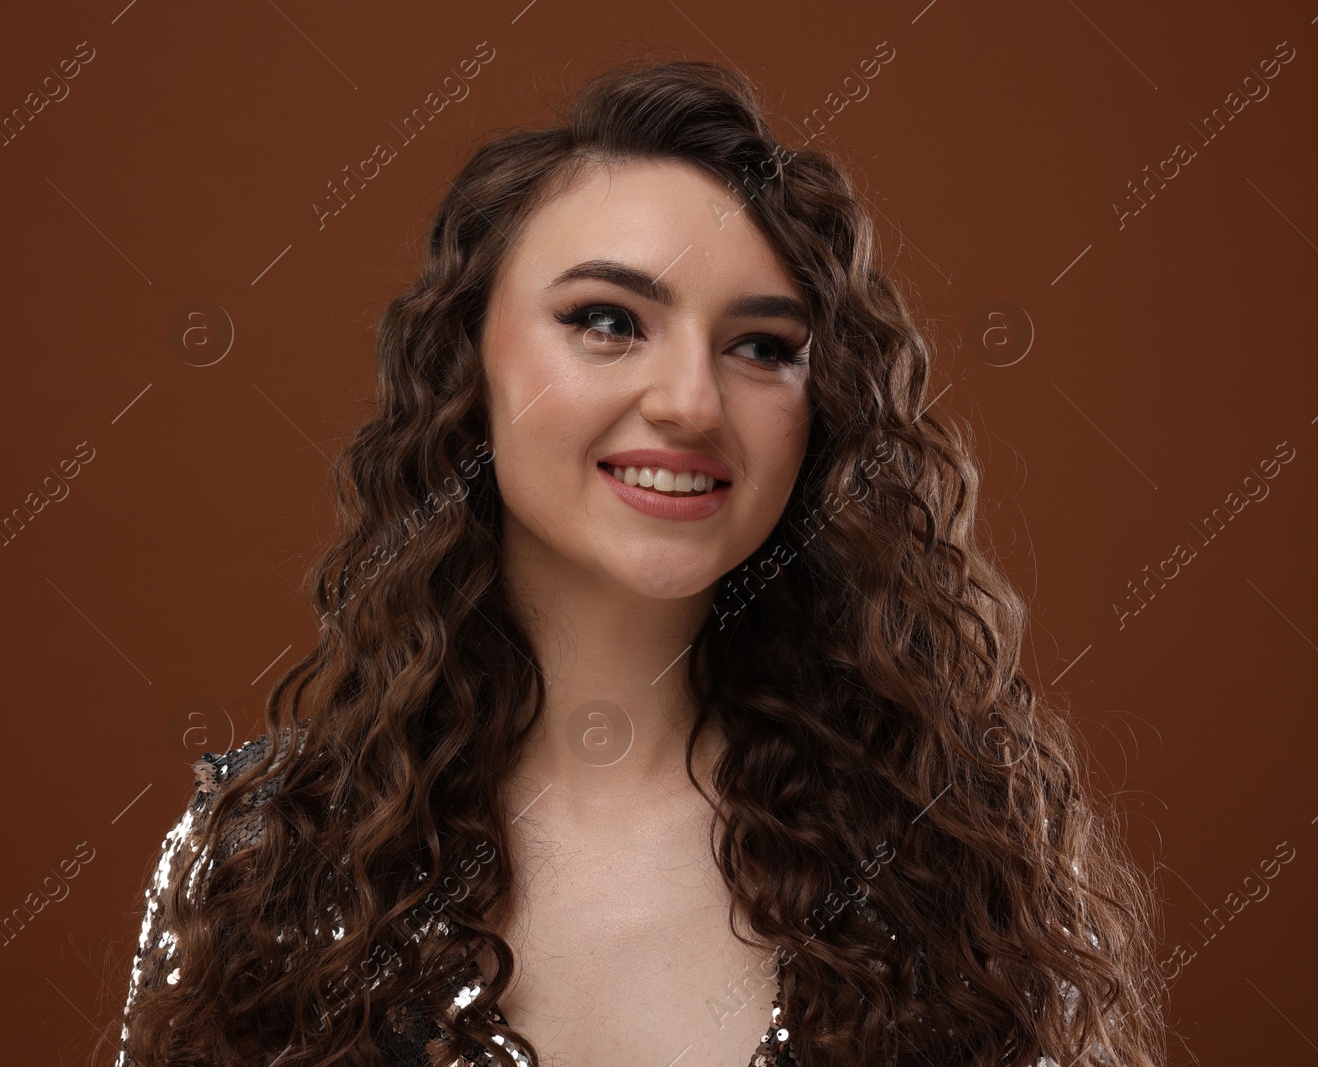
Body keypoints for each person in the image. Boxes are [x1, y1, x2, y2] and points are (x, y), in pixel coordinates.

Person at [114, 57, 1169, 1067]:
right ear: (465, 369)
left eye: (762, 345)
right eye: (608, 321)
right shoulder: (260, 858)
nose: (690, 403)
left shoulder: (959, 849)